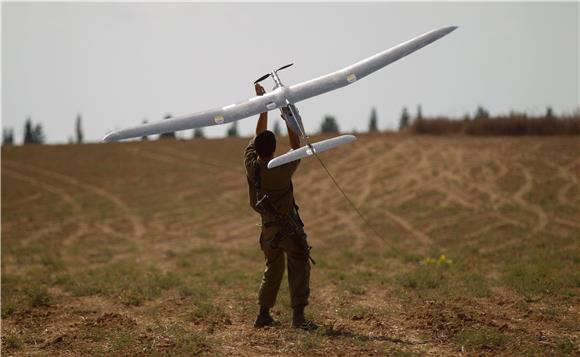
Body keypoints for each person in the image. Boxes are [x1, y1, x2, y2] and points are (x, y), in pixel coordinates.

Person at [244, 83, 315, 329]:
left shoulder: (251, 165)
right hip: (289, 228)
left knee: (273, 268)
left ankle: (263, 314)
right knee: (299, 262)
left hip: (268, 231)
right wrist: (286, 111)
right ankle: (298, 317)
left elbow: (257, 138)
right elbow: (296, 147)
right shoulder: (282, 168)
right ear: (274, 149)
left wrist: (263, 105)